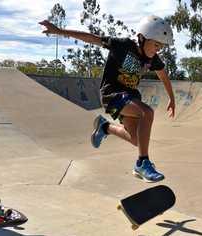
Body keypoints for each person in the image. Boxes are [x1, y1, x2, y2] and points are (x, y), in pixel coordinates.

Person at [39, 15, 176, 182]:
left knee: (136, 140)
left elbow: (163, 75)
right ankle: (142, 163)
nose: (157, 50)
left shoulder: (152, 59)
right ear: (142, 37)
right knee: (147, 112)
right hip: (111, 95)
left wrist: (172, 98)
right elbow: (92, 38)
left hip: (130, 97)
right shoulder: (123, 46)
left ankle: (105, 128)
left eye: (160, 47)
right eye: (156, 45)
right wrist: (59, 31)